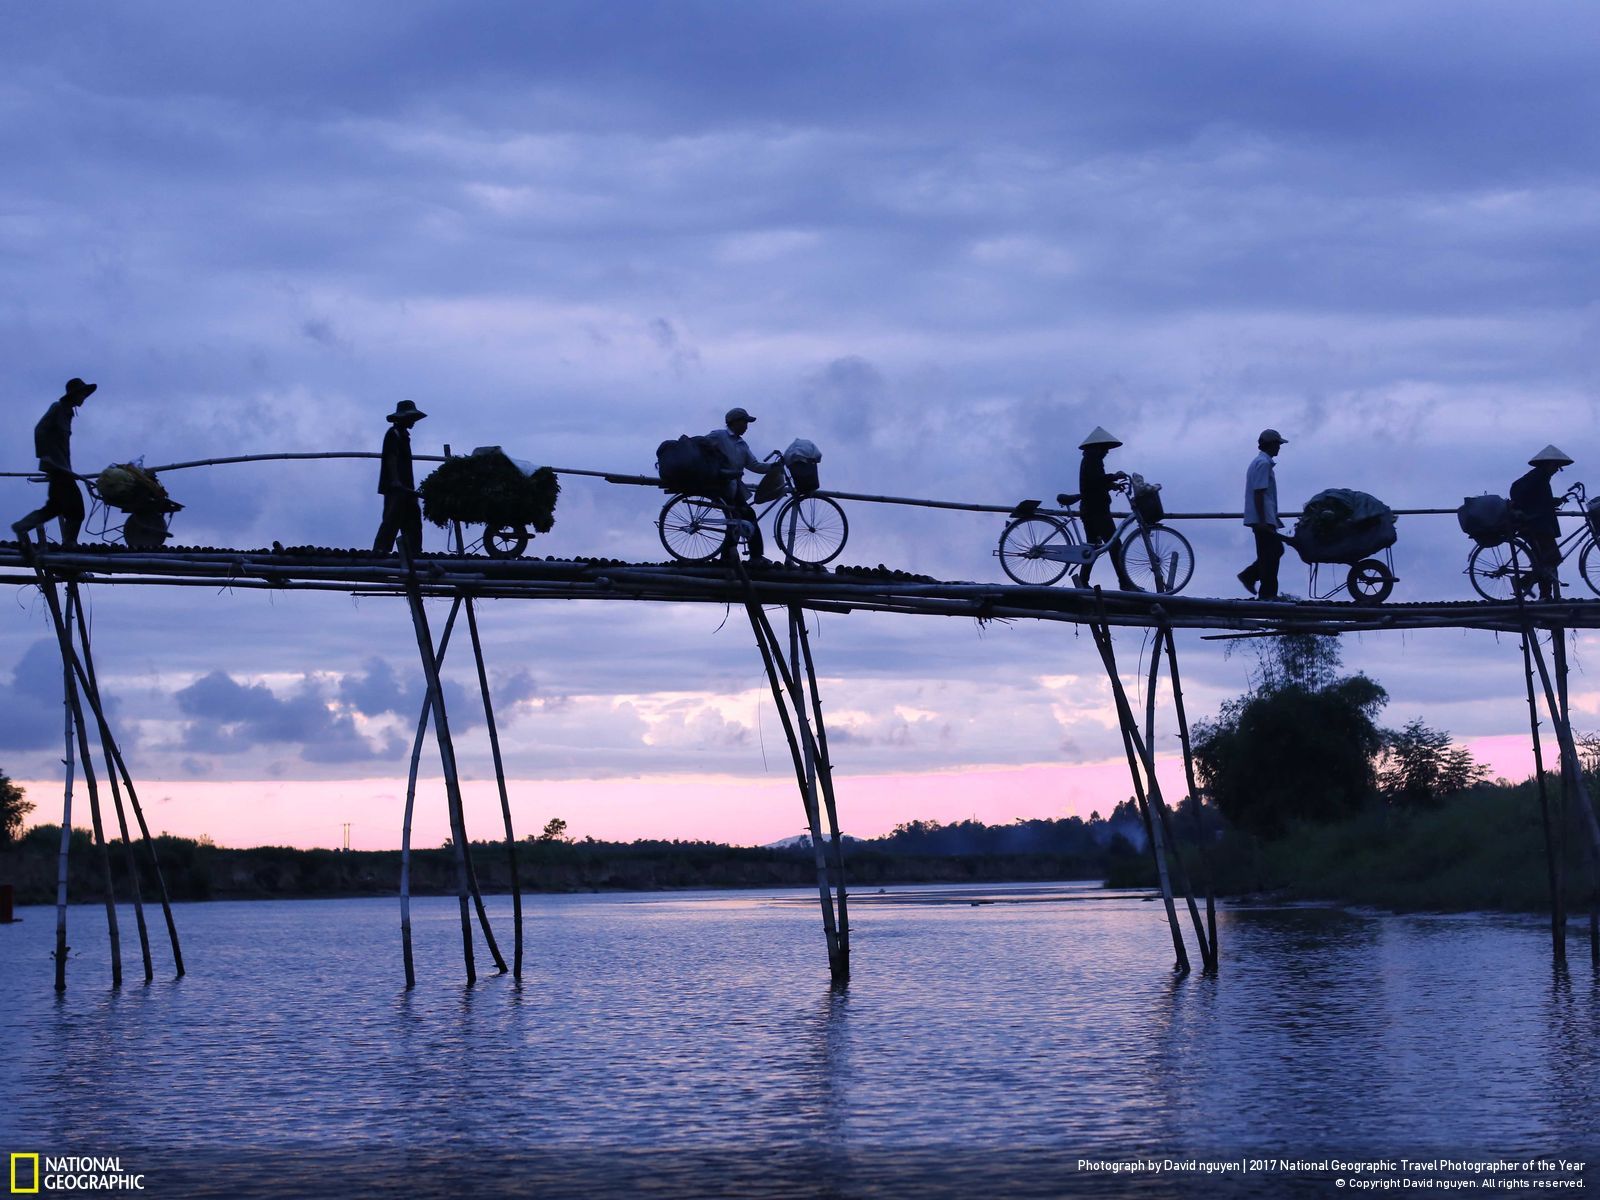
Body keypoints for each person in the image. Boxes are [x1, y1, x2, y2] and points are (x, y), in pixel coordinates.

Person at [12, 377, 95, 546]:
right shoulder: (57, 408)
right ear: (73, 395)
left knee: (54, 507)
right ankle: (70, 545)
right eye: (81, 394)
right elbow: (39, 430)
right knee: (77, 510)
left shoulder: (68, 413)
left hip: (63, 467)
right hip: (57, 468)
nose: (83, 398)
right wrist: (44, 456)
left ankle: (22, 526)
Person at [1059, 426, 1138, 590]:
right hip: (1096, 510)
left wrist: (1111, 485)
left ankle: (1083, 581)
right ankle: (1124, 582)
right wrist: (1113, 476)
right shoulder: (1092, 460)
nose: (1107, 452)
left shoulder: (1090, 459)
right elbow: (1096, 480)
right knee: (1114, 545)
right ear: (1098, 447)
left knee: (1092, 547)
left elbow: (1094, 483)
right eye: (1105, 448)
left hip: (1090, 508)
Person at [705, 407, 779, 563]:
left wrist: (772, 467)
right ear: (735, 422)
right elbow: (701, 446)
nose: (746, 426)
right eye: (745, 422)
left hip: (735, 486)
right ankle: (754, 556)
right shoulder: (719, 436)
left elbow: (754, 465)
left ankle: (730, 556)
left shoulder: (742, 444)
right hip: (721, 484)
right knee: (742, 515)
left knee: (741, 517)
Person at [1510, 444, 1572, 600]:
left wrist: (1552, 502)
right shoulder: (1537, 477)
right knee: (1551, 559)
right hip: (1536, 525)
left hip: (1538, 524)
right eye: (1556, 465)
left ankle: (1544, 594)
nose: (1557, 469)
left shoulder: (1540, 477)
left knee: (1546, 560)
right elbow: (1530, 500)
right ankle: (1526, 584)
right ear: (1548, 464)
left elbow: (1538, 499)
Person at [1238, 428, 1287, 601]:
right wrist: (1263, 520)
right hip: (1262, 519)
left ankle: (1251, 577)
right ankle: (1266, 593)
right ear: (1271, 445)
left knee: (1272, 552)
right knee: (1271, 553)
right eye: (1278, 444)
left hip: (1264, 517)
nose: (1279, 448)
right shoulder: (1263, 464)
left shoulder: (1260, 463)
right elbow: (1259, 493)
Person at [373, 400, 426, 557]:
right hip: (396, 486)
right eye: (411, 418)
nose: (413, 422)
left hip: (407, 487)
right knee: (392, 517)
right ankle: (380, 550)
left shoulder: (404, 436)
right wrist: (395, 480)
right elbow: (391, 457)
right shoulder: (393, 434)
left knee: (413, 518)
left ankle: (414, 551)